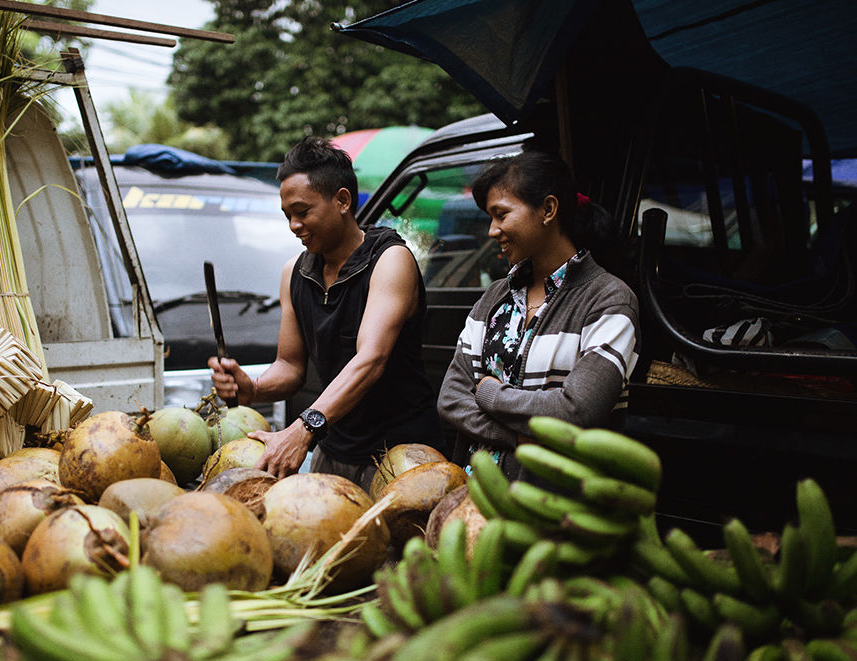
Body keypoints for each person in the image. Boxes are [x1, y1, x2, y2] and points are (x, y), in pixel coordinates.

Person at [209, 136, 444, 490]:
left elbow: (371, 359)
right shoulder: (295, 273)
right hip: (334, 448)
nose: (293, 225)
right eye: (288, 216)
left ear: (342, 201)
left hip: (402, 455)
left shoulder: (390, 260)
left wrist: (303, 428)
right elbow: (290, 368)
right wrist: (251, 388)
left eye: (303, 212)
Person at [437, 150, 640, 480]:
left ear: (548, 209)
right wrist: (516, 437)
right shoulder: (493, 299)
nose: (492, 230)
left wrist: (487, 392)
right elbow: (450, 399)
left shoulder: (608, 301)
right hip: (475, 498)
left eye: (501, 214)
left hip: (557, 509)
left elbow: (577, 411)